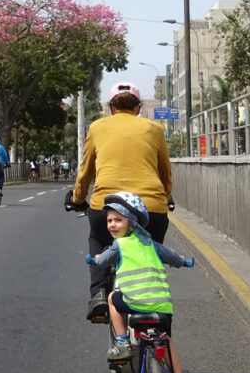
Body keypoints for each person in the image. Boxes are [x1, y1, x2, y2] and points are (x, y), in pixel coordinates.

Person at [68, 82, 172, 323]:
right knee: (151, 251)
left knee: (98, 239)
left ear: (112, 107)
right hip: (151, 208)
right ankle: (153, 301)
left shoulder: (97, 127)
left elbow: (85, 171)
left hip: (107, 204)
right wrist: (164, 198)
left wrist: (77, 199)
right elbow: (165, 171)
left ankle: (99, 295)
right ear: (137, 108)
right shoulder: (154, 128)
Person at [85, 191, 195, 373]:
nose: (112, 225)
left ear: (131, 222)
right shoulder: (152, 244)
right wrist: (186, 262)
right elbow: (173, 256)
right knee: (166, 339)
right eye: (110, 220)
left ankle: (122, 342)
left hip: (133, 302)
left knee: (112, 299)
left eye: (118, 220)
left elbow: (102, 260)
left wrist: (93, 259)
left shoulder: (120, 246)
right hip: (162, 304)